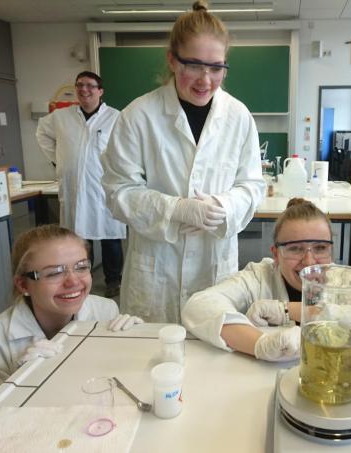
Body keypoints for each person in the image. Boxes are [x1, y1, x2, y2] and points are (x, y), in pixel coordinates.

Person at [101, 0, 266, 323]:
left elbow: (252, 184)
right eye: (194, 64)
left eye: (216, 67)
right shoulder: (139, 116)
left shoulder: (238, 116)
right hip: (156, 268)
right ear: (172, 60)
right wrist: (175, 209)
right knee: (151, 360)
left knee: (213, 353)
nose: (205, 79)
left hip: (213, 262)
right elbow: (118, 191)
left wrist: (223, 206)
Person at [182, 198, 351, 362]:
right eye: (295, 249)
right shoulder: (259, 276)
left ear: (331, 249)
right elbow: (199, 305)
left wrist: (289, 310)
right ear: (275, 254)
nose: (310, 261)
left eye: (320, 248)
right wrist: (262, 344)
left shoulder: (342, 278)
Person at [0, 225, 142, 410]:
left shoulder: (104, 310)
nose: (73, 281)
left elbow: (112, 385)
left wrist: (138, 346)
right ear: (23, 284)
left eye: (81, 267)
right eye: (55, 272)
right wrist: (21, 387)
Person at [36, 71, 127, 298]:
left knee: (110, 239)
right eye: (79, 85)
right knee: (78, 241)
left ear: (100, 91)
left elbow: (127, 149)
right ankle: (81, 279)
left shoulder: (116, 117)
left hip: (103, 188)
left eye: (90, 86)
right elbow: (42, 134)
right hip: (74, 187)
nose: (84, 90)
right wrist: (59, 160)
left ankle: (113, 281)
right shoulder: (60, 117)